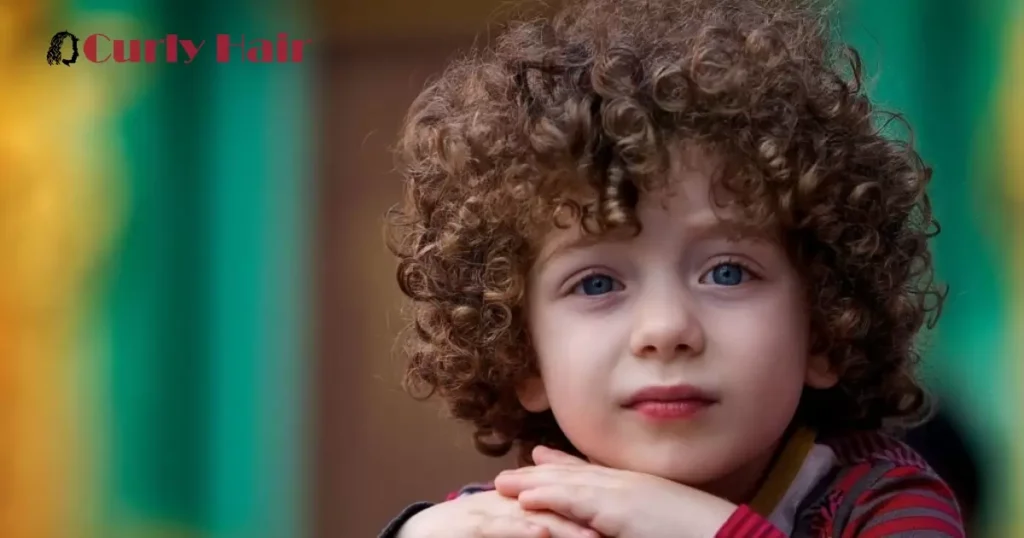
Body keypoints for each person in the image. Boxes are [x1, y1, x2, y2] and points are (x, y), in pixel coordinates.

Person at [378, 0, 964, 536]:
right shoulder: (516, 519)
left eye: (728, 272)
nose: (665, 330)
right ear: (524, 358)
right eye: (598, 283)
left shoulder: (885, 503)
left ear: (825, 328)